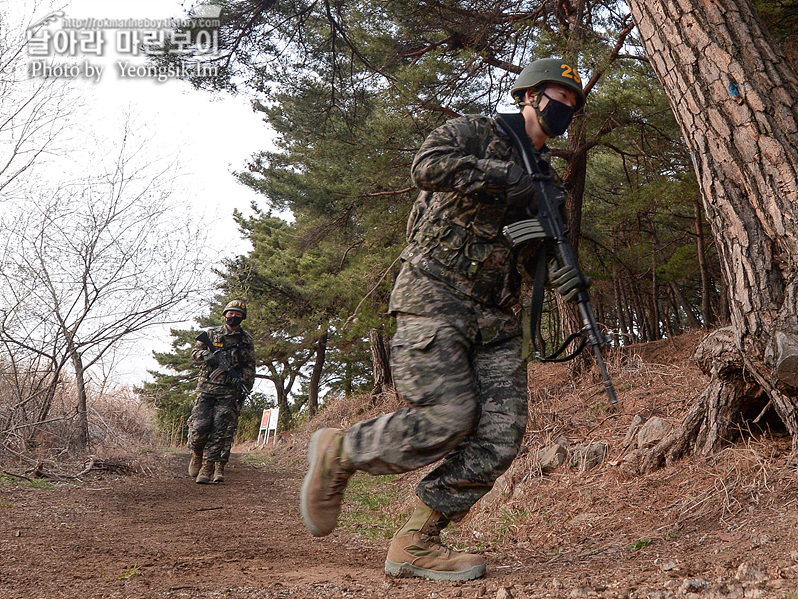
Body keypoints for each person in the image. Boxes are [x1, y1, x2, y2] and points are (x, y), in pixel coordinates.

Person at [300, 58, 586, 581]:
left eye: (572, 101)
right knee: (448, 416)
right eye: (556, 95)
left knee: (502, 434)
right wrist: (505, 177)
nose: (563, 106)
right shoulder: (477, 132)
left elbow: (530, 256)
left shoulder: (551, 185)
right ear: (527, 95)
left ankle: (417, 538)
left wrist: (561, 275)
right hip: (434, 293)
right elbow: (426, 166)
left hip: (496, 320)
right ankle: (341, 449)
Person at [188, 299, 256, 484]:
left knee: (220, 430)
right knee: (199, 428)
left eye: (238, 314)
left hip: (228, 392)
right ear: (225, 314)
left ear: (243, 317)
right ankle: (196, 454)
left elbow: (250, 366)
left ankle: (208, 468)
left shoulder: (245, 340)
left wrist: (241, 380)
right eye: (231, 313)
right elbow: (194, 353)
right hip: (206, 388)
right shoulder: (211, 334)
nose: (234, 317)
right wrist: (206, 355)